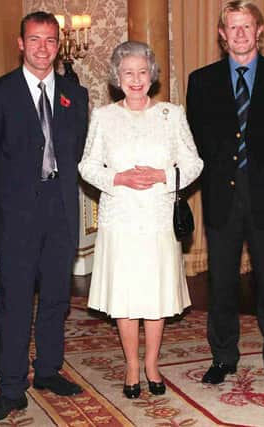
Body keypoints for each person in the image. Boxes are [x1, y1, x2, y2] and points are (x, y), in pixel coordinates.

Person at [0, 11, 89, 422]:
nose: (43, 48)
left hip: (60, 210)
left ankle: (48, 371)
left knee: (57, 297)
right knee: (16, 299)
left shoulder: (76, 95)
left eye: (51, 40)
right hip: (17, 213)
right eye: (35, 40)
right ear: (20, 43)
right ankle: (10, 387)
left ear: (59, 46)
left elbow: (78, 153)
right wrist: (7, 200)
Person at [186, 0, 264, 387]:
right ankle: (222, 357)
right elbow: (197, 141)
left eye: (246, 27)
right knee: (221, 284)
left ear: (259, 31)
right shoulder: (201, 80)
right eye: (232, 27)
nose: (239, 34)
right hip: (221, 199)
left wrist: (261, 174)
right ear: (222, 35)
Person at [78, 41, 203, 399]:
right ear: (117, 77)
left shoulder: (171, 114)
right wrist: (118, 178)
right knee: (127, 295)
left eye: (142, 72)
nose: (136, 79)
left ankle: (152, 363)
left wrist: (163, 175)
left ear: (153, 76)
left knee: (155, 293)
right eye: (128, 73)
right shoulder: (104, 117)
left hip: (158, 218)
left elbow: (194, 163)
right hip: (120, 219)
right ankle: (132, 364)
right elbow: (86, 165)